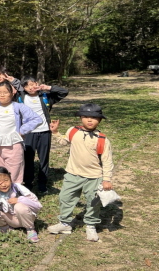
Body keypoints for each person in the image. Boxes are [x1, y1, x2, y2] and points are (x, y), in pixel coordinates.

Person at [47, 103, 114, 242]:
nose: (90, 120)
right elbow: (63, 142)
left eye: (94, 118)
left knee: (93, 202)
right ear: (80, 118)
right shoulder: (73, 131)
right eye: (86, 117)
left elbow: (107, 161)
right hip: (72, 173)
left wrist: (106, 179)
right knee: (65, 198)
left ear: (99, 120)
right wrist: (55, 132)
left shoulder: (102, 139)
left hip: (94, 177)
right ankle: (65, 223)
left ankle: (90, 225)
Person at [0, 81, 41, 184]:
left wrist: (22, 131)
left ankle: (13, 195)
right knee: (0, 172)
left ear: (12, 93)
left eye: (5, 92)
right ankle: (1, 196)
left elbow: (36, 119)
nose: (2, 95)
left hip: (14, 144)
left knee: (14, 174)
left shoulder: (18, 106)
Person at [22, 76, 69, 194]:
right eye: (28, 85)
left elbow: (64, 92)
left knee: (44, 159)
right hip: (28, 133)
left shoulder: (44, 96)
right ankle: (28, 184)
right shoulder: (20, 98)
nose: (31, 87)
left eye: (33, 84)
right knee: (28, 159)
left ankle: (42, 184)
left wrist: (48, 87)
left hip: (44, 132)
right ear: (24, 88)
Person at [0, 166, 41, 242]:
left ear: (10, 179)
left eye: (6, 180)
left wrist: (19, 200)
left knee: (19, 206)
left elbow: (37, 206)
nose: (4, 185)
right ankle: (5, 228)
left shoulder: (18, 188)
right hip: (12, 221)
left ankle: (30, 229)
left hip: (27, 218)